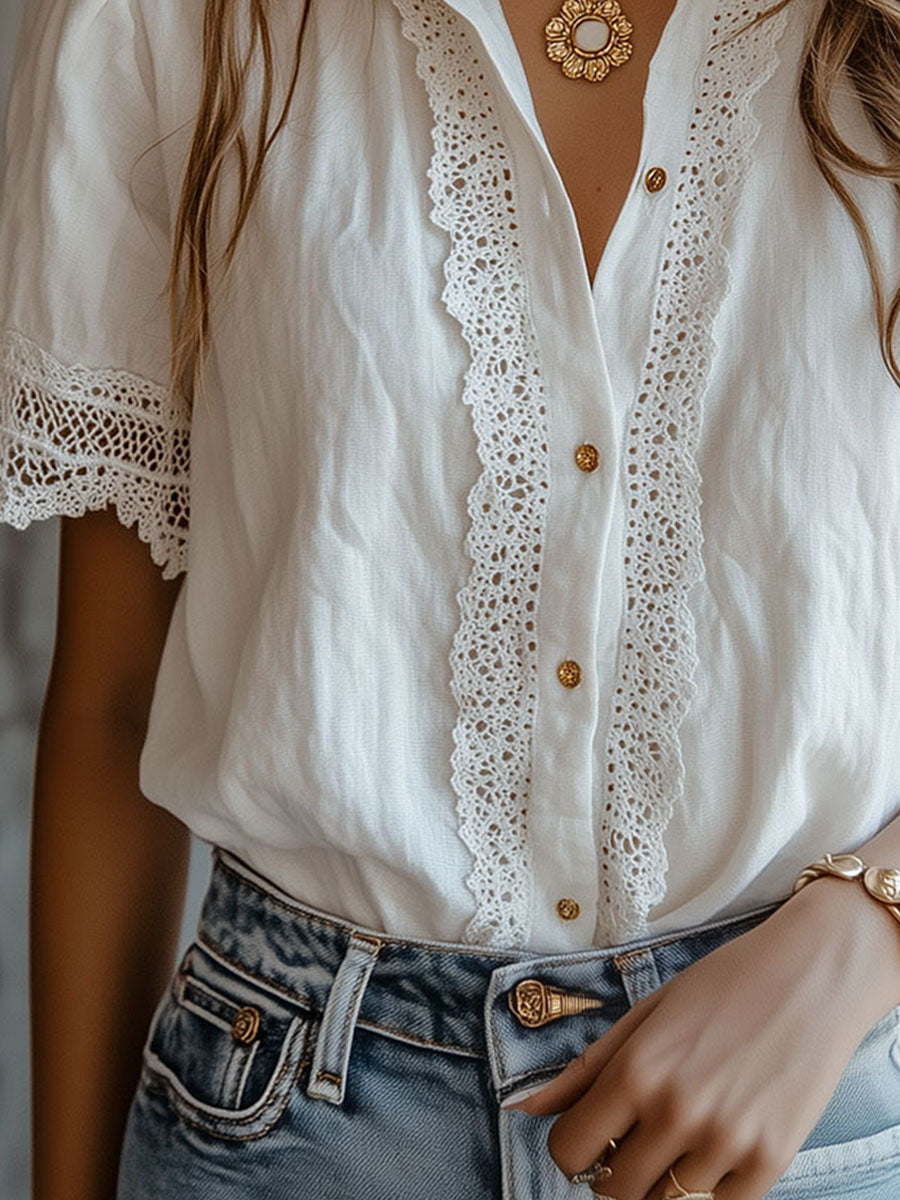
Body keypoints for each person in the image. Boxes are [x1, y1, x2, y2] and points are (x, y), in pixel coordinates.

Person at [2, 0, 900, 1196]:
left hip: (817, 1112)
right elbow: (112, 699)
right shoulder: (169, 21)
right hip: (297, 1127)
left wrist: (865, 929)